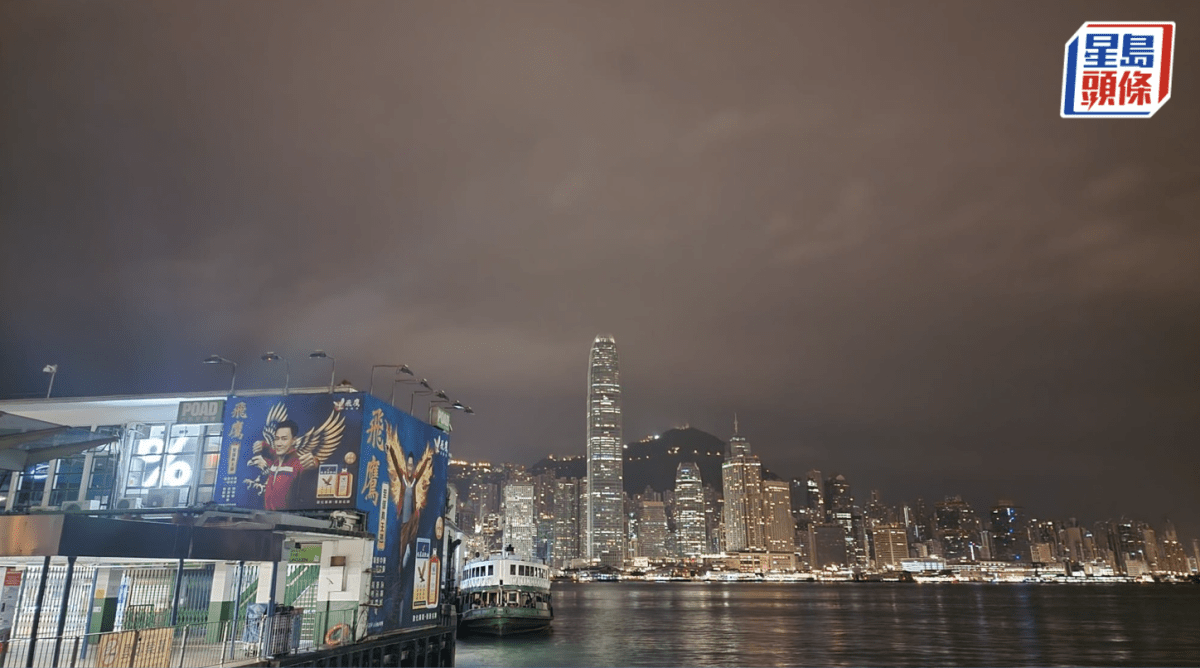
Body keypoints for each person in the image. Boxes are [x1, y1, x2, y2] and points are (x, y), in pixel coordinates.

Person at [247, 419, 303, 510]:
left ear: (294, 440)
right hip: (267, 520)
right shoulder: (275, 462)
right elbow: (272, 453)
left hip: (289, 520)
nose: (279, 443)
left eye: (284, 439)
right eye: (276, 439)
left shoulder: (299, 465)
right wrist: (263, 445)